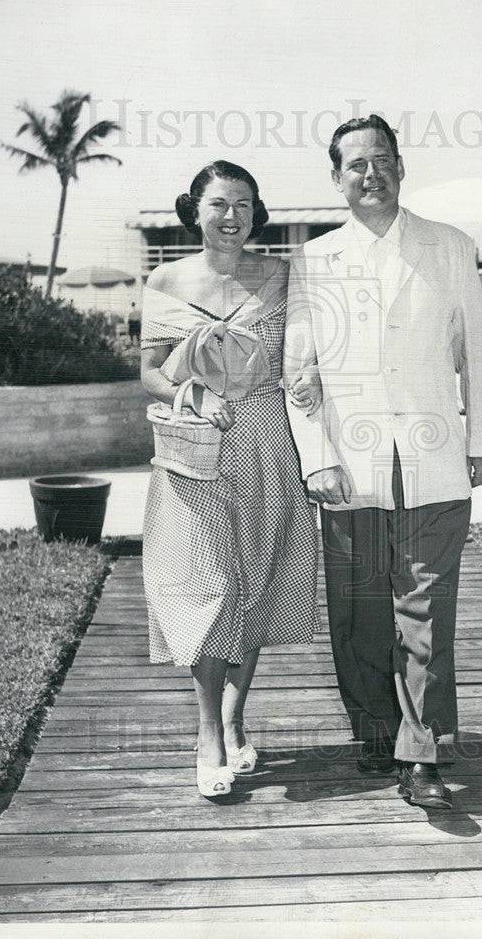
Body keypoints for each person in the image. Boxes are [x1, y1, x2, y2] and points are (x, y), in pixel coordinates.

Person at [284, 115, 482, 810]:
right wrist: (316, 460)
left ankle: (423, 755)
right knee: (358, 612)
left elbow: (478, 353)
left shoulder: (450, 246)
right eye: (354, 164)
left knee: (425, 614)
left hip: (434, 462)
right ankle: (377, 736)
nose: (369, 173)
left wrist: (481, 441)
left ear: (400, 167)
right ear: (336, 178)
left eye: (381, 159)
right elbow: (298, 373)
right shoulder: (313, 259)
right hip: (350, 465)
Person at [140, 160, 321, 800]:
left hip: (267, 439)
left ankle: (237, 716)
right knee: (207, 586)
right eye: (218, 203)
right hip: (196, 447)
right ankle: (208, 734)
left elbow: (306, 354)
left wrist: (309, 379)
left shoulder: (282, 274)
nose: (231, 215)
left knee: (258, 584)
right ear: (195, 209)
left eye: (243, 203)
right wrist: (193, 393)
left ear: (256, 210)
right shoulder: (165, 279)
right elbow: (151, 375)